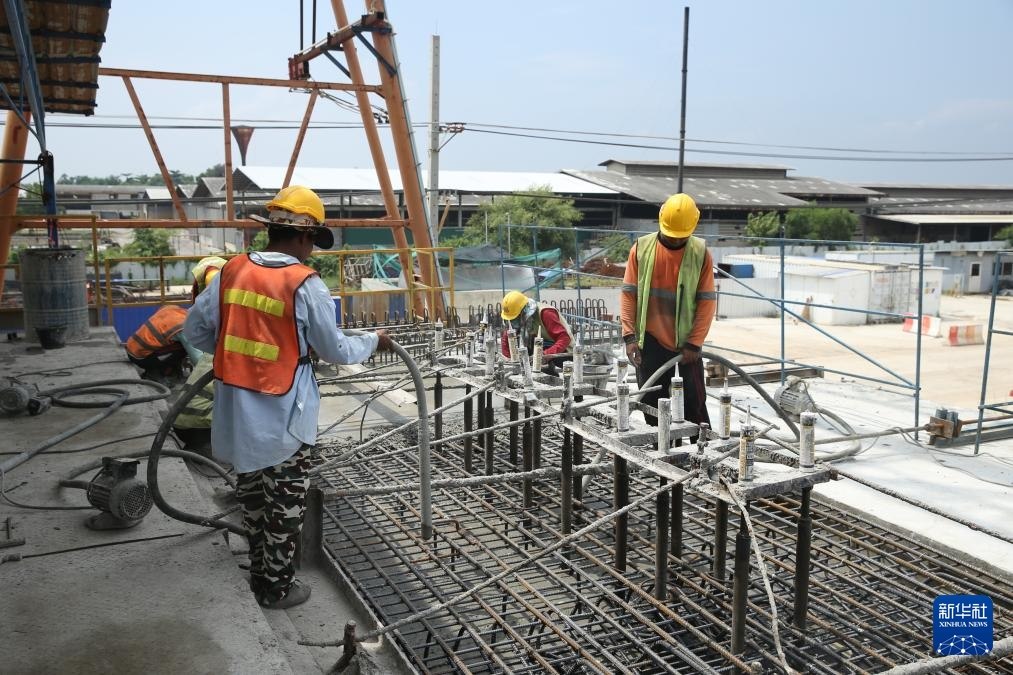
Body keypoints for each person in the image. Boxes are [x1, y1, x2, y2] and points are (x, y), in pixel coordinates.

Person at [184, 185, 393, 610]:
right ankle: (275, 589)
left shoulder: (231, 270)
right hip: (284, 417)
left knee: (254, 499)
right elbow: (334, 348)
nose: (312, 251)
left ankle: (259, 572)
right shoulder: (304, 283)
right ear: (303, 237)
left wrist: (242, 349)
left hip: (236, 412)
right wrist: (374, 340)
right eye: (313, 242)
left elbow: (196, 332)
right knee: (284, 507)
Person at [620, 193, 716, 429]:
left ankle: (700, 455)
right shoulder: (641, 249)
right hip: (649, 341)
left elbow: (706, 302)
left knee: (694, 405)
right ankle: (660, 452)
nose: (674, 241)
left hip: (686, 345)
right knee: (652, 402)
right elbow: (629, 293)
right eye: (671, 236)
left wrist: (694, 342)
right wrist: (629, 336)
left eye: (680, 237)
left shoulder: (700, 253)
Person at [172, 256, 228, 454]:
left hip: (179, 423)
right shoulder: (218, 278)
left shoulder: (214, 349)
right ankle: (212, 449)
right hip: (196, 427)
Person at [125, 304, 202, 380]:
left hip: (131, 349)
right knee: (183, 349)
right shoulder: (185, 327)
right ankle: (157, 372)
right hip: (141, 358)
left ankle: (169, 370)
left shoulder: (173, 309)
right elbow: (197, 359)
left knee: (178, 343)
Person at [499, 290, 574, 363]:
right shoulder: (518, 317)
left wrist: (545, 355)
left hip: (563, 352)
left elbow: (564, 339)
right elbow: (507, 336)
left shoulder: (546, 313)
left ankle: (549, 371)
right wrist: (508, 358)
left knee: (539, 346)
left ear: (524, 311)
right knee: (522, 346)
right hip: (539, 349)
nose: (513, 322)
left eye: (515, 318)